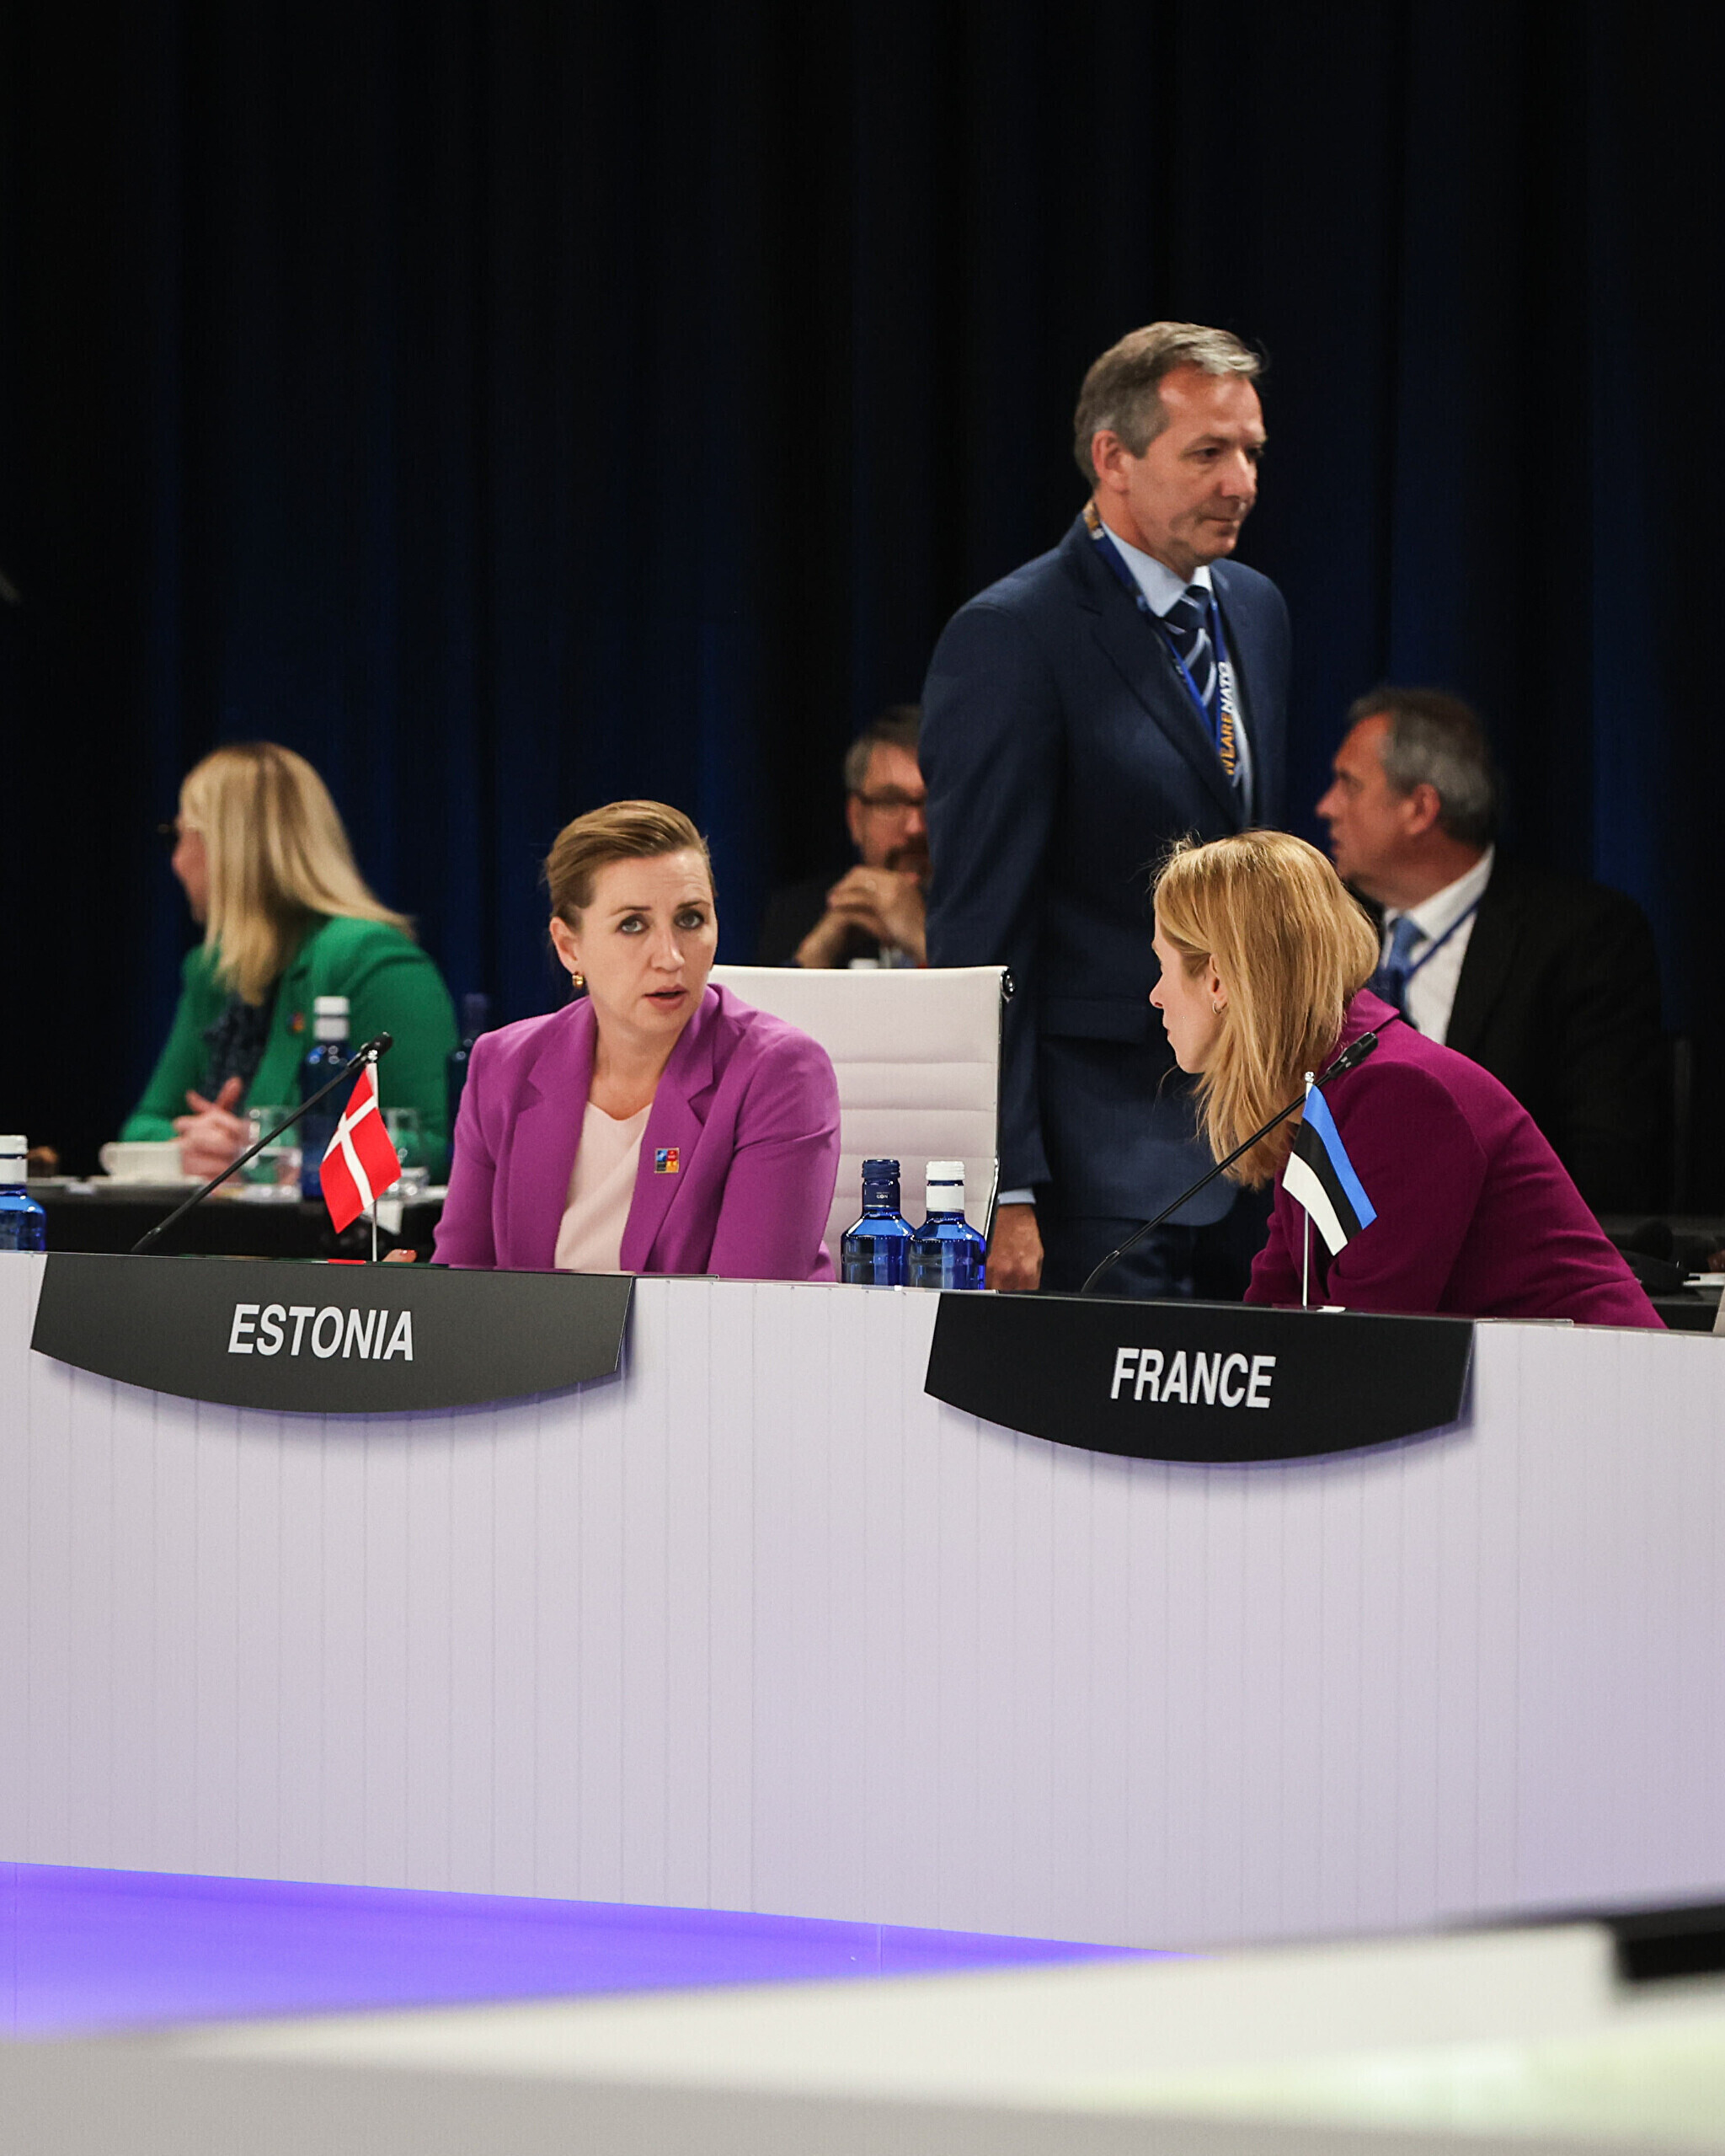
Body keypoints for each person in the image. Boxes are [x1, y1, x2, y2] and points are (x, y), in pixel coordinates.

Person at [922, 321, 1289, 1296]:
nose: (1240, 483)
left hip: (1249, 1153)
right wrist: (1000, 1186)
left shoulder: (1255, 610)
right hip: (1093, 1177)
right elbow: (978, 934)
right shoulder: (1013, 636)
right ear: (1112, 459)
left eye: (1250, 452)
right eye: (1206, 453)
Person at [1148, 832, 1661, 1326]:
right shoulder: (1319, 1084)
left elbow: (1374, 1339)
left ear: (1217, 980)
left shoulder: (1395, 1094)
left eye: (1163, 966)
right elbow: (1279, 1302)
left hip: (1593, 1379)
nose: (1155, 996)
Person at [434, 800, 841, 1277]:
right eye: (633, 925)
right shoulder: (503, 1066)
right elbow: (465, 1284)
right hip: (539, 1332)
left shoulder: (779, 1072)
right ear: (569, 947)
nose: (670, 957)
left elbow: (746, 1305)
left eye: (690, 919)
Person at [1316, 687, 1665, 1213]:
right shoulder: (1326, 932)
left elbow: (1608, 1162)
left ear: (1420, 808)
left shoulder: (1583, 937)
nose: (1326, 807)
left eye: (1350, 784)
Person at [122, 742, 459, 1179]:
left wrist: (260, 1153)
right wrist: (187, 1146)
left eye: (180, 835)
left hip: (326, 1225)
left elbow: (437, 1143)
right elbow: (142, 1128)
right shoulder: (211, 970)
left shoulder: (370, 959)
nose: (177, 861)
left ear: (227, 849)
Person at [755, 705, 929, 967]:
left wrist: (922, 940)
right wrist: (818, 954)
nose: (915, 827)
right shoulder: (796, 916)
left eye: (929, 802)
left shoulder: (984, 920)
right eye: (890, 801)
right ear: (855, 818)